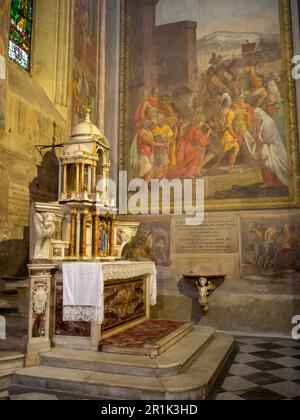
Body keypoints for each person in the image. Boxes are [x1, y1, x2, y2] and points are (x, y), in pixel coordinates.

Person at [252, 108, 288, 188]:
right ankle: (266, 181)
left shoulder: (268, 122)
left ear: (259, 114)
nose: (253, 116)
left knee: (268, 163)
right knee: (263, 164)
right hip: (264, 145)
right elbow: (257, 135)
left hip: (271, 146)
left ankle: (271, 182)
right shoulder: (258, 123)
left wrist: (259, 139)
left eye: (255, 114)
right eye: (253, 114)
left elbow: (269, 138)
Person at [167, 115, 211, 179]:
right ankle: (187, 174)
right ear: (198, 121)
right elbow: (201, 141)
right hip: (185, 145)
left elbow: (199, 138)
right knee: (194, 156)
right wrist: (208, 134)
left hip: (186, 144)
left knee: (194, 157)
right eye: (202, 122)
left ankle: (190, 173)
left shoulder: (196, 128)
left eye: (203, 122)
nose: (202, 124)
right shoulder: (195, 128)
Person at [130, 119, 165, 184]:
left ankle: (144, 187)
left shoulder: (148, 132)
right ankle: (143, 188)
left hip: (148, 154)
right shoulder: (142, 133)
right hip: (143, 155)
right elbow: (151, 142)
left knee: (151, 172)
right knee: (149, 171)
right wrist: (162, 145)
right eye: (150, 125)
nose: (152, 126)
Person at [216, 93, 241, 173]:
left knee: (223, 150)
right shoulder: (230, 113)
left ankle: (216, 165)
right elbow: (228, 126)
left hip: (220, 133)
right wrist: (235, 136)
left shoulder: (219, 112)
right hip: (227, 134)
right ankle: (231, 168)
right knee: (236, 148)